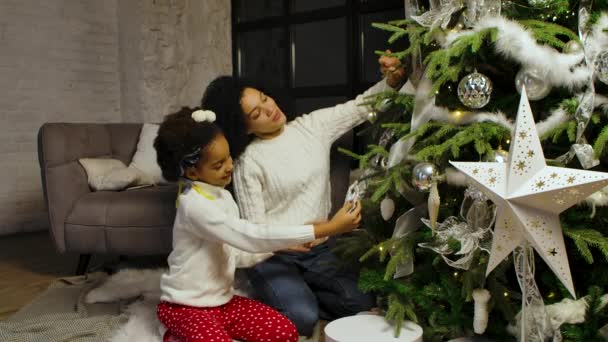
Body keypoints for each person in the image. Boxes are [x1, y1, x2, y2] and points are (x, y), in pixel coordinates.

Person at [200, 52, 406, 336]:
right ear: (243, 127)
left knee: (363, 302)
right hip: (273, 255)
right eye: (256, 113)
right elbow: (256, 232)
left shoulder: (312, 126)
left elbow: (361, 106)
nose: (269, 108)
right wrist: (303, 236)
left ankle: (304, 290)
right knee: (302, 318)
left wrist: (392, 81)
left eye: (263, 98)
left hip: (320, 250)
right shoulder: (249, 161)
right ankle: (284, 296)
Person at [153, 107, 362, 342]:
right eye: (218, 165)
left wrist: (279, 246)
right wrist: (328, 228)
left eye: (229, 157)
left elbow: (239, 254)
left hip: (223, 302)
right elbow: (250, 235)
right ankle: (174, 333)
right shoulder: (194, 205)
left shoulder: (222, 196)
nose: (229, 166)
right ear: (192, 171)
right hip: (185, 307)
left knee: (286, 332)